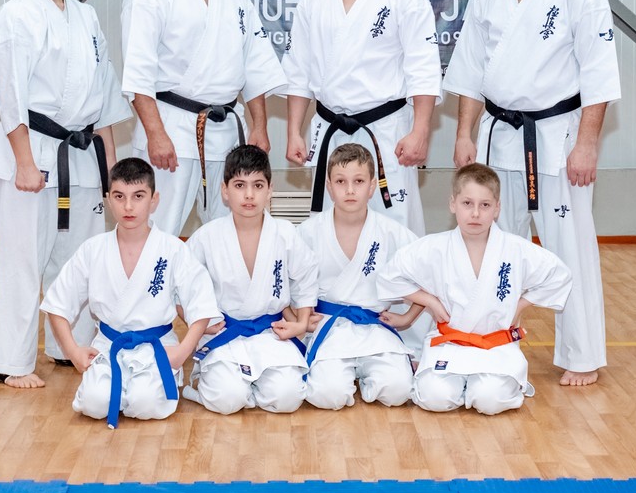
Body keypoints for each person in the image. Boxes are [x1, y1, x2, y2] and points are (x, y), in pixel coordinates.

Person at [443, 0, 620, 387]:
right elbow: (470, 70)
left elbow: (599, 73)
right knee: (493, 248)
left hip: (558, 139)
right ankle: (491, 343)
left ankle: (582, 355)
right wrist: (464, 133)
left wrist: (587, 144)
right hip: (499, 136)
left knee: (570, 248)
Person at [0, 0, 131, 389]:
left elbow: (104, 96)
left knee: (77, 260)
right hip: (31, 152)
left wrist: (111, 171)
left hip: (82, 154)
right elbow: (10, 96)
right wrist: (25, 163)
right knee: (24, 260)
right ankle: (12, 361)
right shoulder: (15, 17)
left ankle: (71, 347)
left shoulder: (86, 17)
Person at [122, 0, 287, 235]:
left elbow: (253, 63)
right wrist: (156, 134)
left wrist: (258, 126)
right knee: (158, 232)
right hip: (171, 127)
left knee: (229, 234)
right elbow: (138, 71)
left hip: (226, 132)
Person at [284, 0, 442, 234]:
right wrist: (294, 131)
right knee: (329, 230)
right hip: (329, 129)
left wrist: (420, 131)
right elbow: (299, 71)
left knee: (395, 228)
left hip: (387, 131)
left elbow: (424, 70)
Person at [378, 164, 573, 415]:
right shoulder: (434, 247)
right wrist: (430, 301)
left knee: (490, 400)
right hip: (450, 343)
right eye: (467, 203)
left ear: (497, 208)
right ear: (453, 204)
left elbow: (560, 275)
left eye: (485, 205)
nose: (476, 213)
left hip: (496, 346)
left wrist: (520, 305)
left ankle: (478, 388)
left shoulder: (515, 249)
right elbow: (389, 276)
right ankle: (462, 386)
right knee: (434, 398)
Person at [40, 158, 220, 427]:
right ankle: (115, 388)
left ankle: (137, 390)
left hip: (158, 346)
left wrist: (182, 352)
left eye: (138, 196)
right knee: (93, 403)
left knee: (146, 403)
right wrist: (73, 351)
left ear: (154, 200)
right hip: (108, 345)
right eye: (119, 196)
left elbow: (201, 306)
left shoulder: (173, 249)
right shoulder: (93, 249)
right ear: (108, 200)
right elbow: (57, 304)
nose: (128, 206)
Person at [184, 145, 317, 413]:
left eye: (258, 185)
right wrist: (199, 324)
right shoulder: (206, 237)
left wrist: (301, 322)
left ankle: (252, 388)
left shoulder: (285, 233)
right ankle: (225, 386)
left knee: (288, 397)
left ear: (270, 190)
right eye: (239, 185)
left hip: (272, 332)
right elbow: (183, 288)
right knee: (227, 399)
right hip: (225, 332)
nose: (249, 195)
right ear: (225, 190)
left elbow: (305, 276)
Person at [296, 143, 422, 409]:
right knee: (327, 395)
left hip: (375, 326)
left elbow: (428, 277)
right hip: (329, 327)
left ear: (372, 186)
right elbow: (288, 284)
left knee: (398, 391)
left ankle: (363, 376)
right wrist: (300, 319)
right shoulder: (308, 232)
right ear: (329, 186)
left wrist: (408, 317)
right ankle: (347, 376)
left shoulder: (393, 233)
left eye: (359, 181)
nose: (350, 190)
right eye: (341, 181)